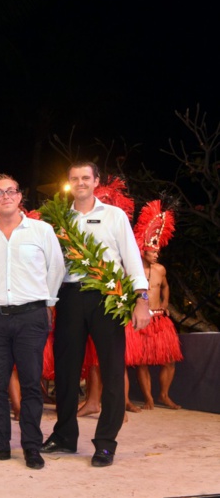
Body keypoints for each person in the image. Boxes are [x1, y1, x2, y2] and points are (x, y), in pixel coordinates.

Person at [41, 161, 150, 468]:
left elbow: (132, 259)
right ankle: (64, 435)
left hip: (107, 297)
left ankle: (105, 443)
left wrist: (142, 299)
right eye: (74, 178)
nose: (80, 182)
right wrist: (48, 301)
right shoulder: (58, 220)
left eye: (85, 177)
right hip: (70, 297)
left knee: (113, 370)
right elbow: (52, 264)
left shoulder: (114, 216)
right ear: (68, 182)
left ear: (96, 181)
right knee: (65, 370)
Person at [0, 173, 64, 469]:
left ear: (19, 196)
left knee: (30, 385)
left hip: (31, 316)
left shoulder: (41, 230)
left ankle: (31, 446)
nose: (6, 196)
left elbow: (56, 269)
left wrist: (47, 303)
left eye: (11, 191)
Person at [129, 200, 182, 410]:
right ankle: (148, 398)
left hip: (160, 319)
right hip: (142, 319)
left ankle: (163, 395)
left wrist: (166, 302)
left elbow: (166, 287)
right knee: (142, 362)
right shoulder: (134, 270)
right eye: (153, 252)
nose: (157, 255)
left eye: (158, 252)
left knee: (169, 360)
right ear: (144, 252)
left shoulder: (161, 269)